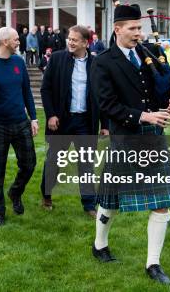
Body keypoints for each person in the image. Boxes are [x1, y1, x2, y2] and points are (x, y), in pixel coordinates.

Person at [91, 4, 170, 285]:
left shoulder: (151, 54)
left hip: (154, 137)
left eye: (140, 28)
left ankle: (153, 264)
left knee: (161, 203)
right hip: (125, 137)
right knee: (111, 201)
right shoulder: (103, 62)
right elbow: (106, 104)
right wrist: (143, 115)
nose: (138, 33)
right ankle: (99, 245)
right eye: (132, 28)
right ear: (117, 29)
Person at [40, 25, 108, 216]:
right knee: (54, 160)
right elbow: (46, 89)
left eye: (74, 40)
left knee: (86, 164)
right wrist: (51, 115)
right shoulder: (57, 58)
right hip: (61, 121)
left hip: (85, 122)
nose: (70, 42)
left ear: (86, 43)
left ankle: (88, 205)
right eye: (69, 38)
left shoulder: (96, 63)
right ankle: (46, 195)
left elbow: (103, 96)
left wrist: (105, 124)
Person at [0, 27, 38, 226]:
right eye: (16, 39)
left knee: (29, 163)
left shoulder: (18, 62)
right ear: (5, 41)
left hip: (20, 122)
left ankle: (15, 192)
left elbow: (26, 91)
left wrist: (33, 117)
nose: (19, 42)